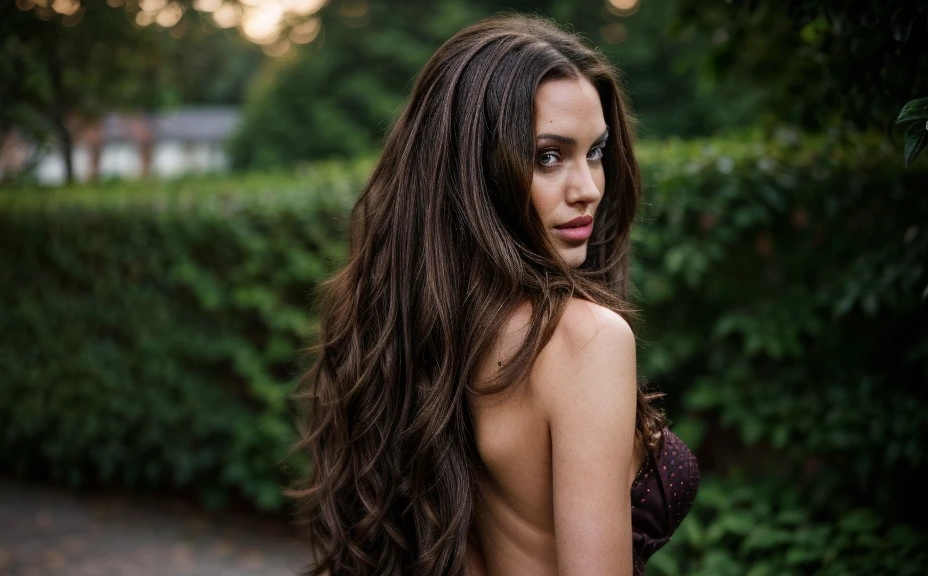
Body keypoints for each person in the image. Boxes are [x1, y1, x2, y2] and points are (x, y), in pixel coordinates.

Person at [291, 13, 699, 576]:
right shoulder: (587, 340)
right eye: (548, 156)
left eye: (596, 151)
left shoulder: (413, 329)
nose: (588, 189)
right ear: (476, 170)